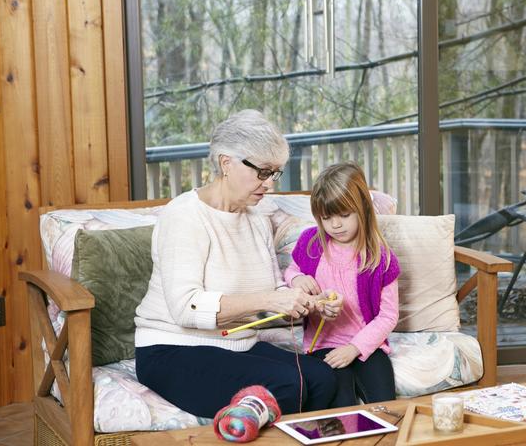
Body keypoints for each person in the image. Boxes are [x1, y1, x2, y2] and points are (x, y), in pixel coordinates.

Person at [134, 110, 341, 418]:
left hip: (237, 345)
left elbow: (273, 289)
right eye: (262, 172)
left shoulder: (256, 218)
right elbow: (186, 308)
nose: (269, 184)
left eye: (275, 173)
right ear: (226, 162)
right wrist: (271, 299)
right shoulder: (185, 216)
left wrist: (307, 301)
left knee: (325, 378)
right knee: (287, 385)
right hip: (173, 351)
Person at [285, 162, 400, 407]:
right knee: (341, 406)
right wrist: (297, 279)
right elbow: (292, 270)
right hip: (322, 345)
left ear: (363, 210)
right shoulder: (310, 243)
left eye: (344, 215)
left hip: (366, 345)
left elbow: (388, 316)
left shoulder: (381, 258)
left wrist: (354, 348)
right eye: (327, 218)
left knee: (385, 406)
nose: (335, 225)